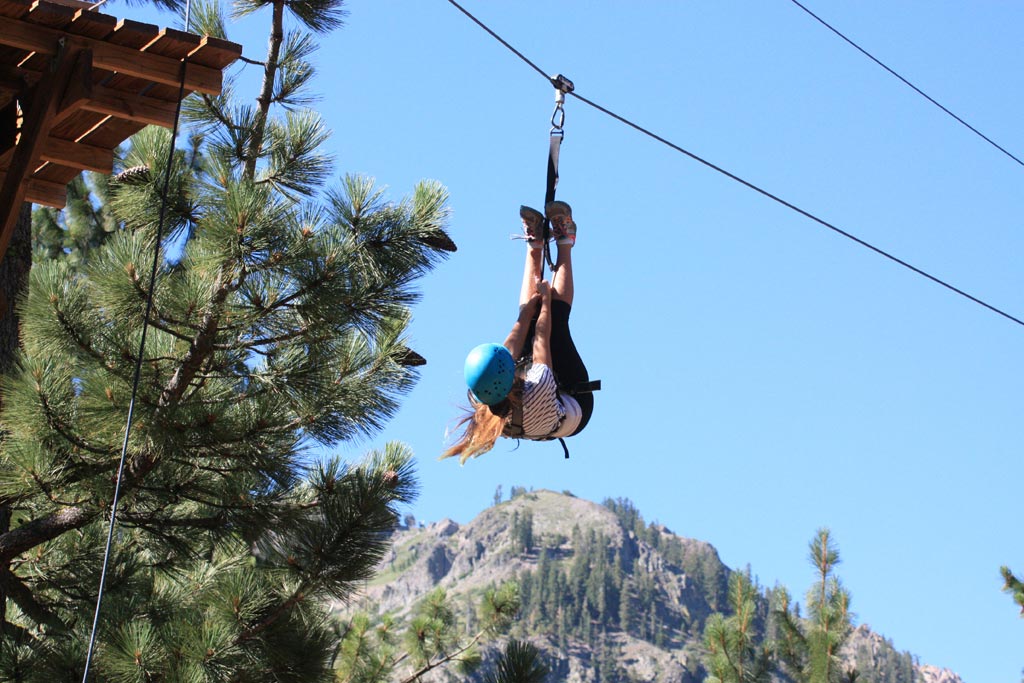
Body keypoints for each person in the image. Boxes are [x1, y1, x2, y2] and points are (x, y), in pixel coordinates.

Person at [443, 201, 595, 463]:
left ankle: (534, 245)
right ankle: (566, 240)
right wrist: (545, 300)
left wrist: (528, 310)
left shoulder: (480, 391)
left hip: (527, 406)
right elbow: (542, 337)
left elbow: (512, 342)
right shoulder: (537, 389)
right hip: (573, 408)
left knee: (527, 316)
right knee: (556, 326)